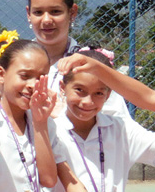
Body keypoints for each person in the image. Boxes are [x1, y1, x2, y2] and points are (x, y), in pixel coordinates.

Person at [0, 38, 70, 192]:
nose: (33, 85)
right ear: (1, 74)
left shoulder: (44, 122)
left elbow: (48, 179)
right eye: (25, 76)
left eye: (41, 78)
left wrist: (40, 124)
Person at [26, 0, 131, 119]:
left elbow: (116, 120)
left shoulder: (90, 63)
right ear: (28, 14)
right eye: (38, 12)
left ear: (72, 12)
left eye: (55, 11)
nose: (46, 20)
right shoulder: (13, 60)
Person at [52, 49, 155, 192]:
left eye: (98, 93)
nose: (88, 101)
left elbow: (151, 99)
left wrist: (100, 70)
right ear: (62, 88)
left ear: (108, 95)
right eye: (80, 90)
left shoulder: (122, 130)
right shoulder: (50, 132)